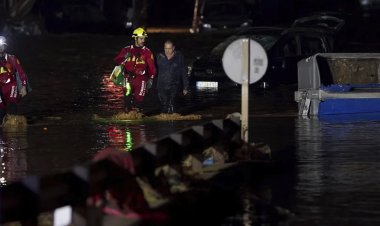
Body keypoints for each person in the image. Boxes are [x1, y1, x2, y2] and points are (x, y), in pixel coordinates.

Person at [113, 27, 156, 113]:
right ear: (135, 38)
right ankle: (126, 114)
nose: (143, 40)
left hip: (141, 79)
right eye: (141, 38)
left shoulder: (147, 52)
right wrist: (124, 57)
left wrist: (151, 78)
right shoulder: (126, 49)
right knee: (127, 98)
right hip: (127, 79)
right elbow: (116, 61)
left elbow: (152, 67)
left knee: (139, 99)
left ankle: (138, 117)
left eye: (144, 38)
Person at [0, 36, 29, 123]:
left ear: (5, 47)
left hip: (11, 86)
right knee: (1, 112)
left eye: (2, 46)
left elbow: (21, 73)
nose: (0, 48)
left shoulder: (12, 58)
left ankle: (14, 131)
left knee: (12, 105)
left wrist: (23, 87)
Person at [156, 40, 189, 114]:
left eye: (169, 48)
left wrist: (185, 86)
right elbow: (152, 69)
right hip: (162, 85)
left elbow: (183, 71)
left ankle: (174, 123)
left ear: (173, 48)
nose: (167, 51)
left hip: (174, 85)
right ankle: (164, 123)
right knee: (164, 105)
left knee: (172, 105)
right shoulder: (159, 56)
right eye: (166, 48)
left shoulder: (179, 57)